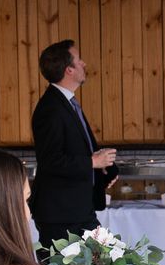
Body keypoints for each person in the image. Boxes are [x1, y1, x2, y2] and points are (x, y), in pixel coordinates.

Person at [30, 39, 116, 247]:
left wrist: (104, 169)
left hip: (78, 210)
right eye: (79, 61)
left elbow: (76, 150)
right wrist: (92, 163)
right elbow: (50, 161)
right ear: (68, 70)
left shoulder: (66, 103)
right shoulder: (50, 109)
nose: (84, 64)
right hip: (61, 214)